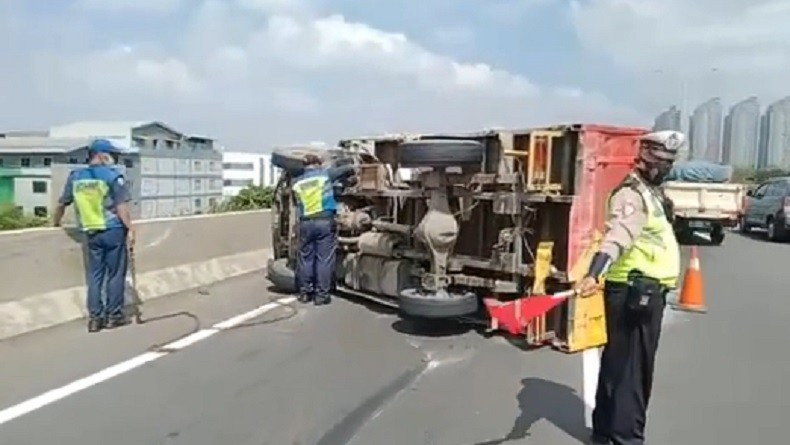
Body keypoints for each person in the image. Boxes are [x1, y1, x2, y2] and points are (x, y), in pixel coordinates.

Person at [575, 130, 685, 445]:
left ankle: (605, 431)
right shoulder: (632, 194)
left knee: (618, 363)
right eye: (660, 160)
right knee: (634, 373)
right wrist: (595, 273)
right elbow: (617, 236)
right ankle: (626, 438)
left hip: (638, 290)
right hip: (636, 293)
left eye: (669, 162)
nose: (665, 167)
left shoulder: (652, 192)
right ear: (644, 157)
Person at [53, 139, 135, 333]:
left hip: (90, 231)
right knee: (115, 274)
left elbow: (62, 204)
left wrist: (55, 223)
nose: (113, 159)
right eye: (111, 155)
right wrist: (130, 229)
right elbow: (121, 207)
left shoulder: (76, 177)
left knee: (95, 276)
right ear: (100, 155)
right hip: (113, 229)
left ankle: (95, 319)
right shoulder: (113, 176)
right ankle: (113, 316)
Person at [292, 153, 355, 306]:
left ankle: (305, 293)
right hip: (324, 221)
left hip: (305, 222)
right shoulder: (325, 175)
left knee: (306, 259)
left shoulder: (296, 182)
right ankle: (321, 296)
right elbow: (347, 169)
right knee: (323, 259)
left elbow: (296, 203)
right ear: (318, 164)